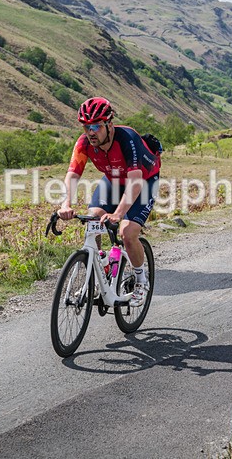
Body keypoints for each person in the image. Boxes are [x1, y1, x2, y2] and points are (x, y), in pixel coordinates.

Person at [58, 97, 161, 307]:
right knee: (92, 219)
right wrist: (66, 203)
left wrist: (119, 214)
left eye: (96, 126)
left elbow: (134, 183)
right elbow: (73, 174)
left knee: (127, 233)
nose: (91, 132)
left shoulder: (127, 138)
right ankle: (99, 267)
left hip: (143, 180)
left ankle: (141, 280)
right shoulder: (84, 143)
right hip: (114, 179)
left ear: (109, 124)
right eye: (87, 127)